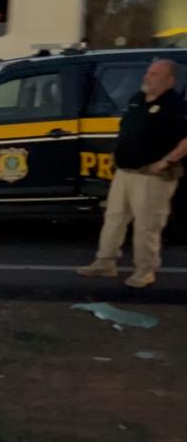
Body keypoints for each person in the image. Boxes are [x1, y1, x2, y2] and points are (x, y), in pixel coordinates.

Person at [77, 59, 187, 288]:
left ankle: (145, 271)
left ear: (170, 81)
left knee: (147, 225)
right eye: (148, 72)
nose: (148, 77)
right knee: (114, 219)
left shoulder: (175, 106)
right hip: (125, 172)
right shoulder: (137, 99)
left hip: (152, 176)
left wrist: (166, 161)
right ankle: (105, 262)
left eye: (155, 74)